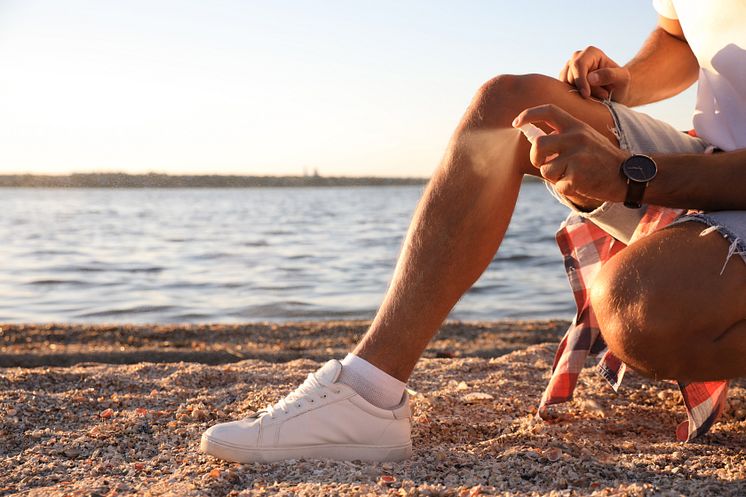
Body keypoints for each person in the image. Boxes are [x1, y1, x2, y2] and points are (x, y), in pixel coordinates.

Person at [201, 0, 746, 462]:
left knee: (642, 308)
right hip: (718, 151)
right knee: (508, 110)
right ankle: (367, 394)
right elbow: (681, 32)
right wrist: (628, 80)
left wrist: (629, 175)